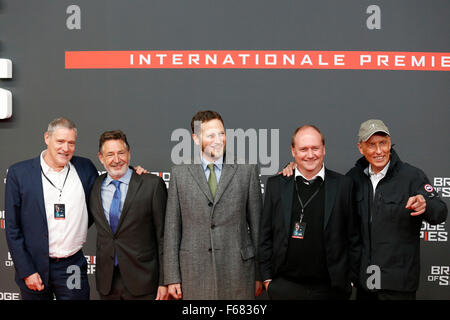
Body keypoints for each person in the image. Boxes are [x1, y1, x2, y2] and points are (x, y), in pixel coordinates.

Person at [163, 110, 263, 299]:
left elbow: (258, 228)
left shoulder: (246, 170)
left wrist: (260, 273)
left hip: (239, 272)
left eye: (222, 133)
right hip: (193, 272)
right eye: (210, 135)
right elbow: (172, 229)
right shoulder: (180, 173)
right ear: (196, 139)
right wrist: (172, 277)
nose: (218, 140)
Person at [346, 119, 448, 300]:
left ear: (390, 142)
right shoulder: (353, 178)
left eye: (383, 143)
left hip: (398, 284)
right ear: (361, 148)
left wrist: (425, 204)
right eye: (371, 145)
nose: (379, 151)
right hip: (366, 282)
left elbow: (440, 212)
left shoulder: (411, 176)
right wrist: (291, 171)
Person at [260, 125, 359, 299]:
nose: (310, 154)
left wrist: (349, 279)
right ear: (293, 151)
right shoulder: (276, 185)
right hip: (285, 287)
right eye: (303, 149)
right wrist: (268, 279)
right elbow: (265, 236)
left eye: (315, 148)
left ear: (324, 149)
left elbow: (354, 237)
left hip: (330, 289)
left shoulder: (343, 185)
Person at [4, 117, 98, 300]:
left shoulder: (85, 168)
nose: (66, 148)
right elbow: (12, 228)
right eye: (60, 141)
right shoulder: (19, 173)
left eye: (71, 143)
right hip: (34, 266)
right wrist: (26, 270)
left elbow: (104, 192)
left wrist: (134, 174)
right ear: (47, 138)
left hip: (72, 266)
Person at [88, 130, 168, 300]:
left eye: (121, 153)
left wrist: (164, 281)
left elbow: (164, 237)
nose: (116, 160)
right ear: (101, 158)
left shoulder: (151, 185)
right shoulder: (95, 187)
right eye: (110, 154)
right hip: (107, 283)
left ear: (129, 154)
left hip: (144, 281)